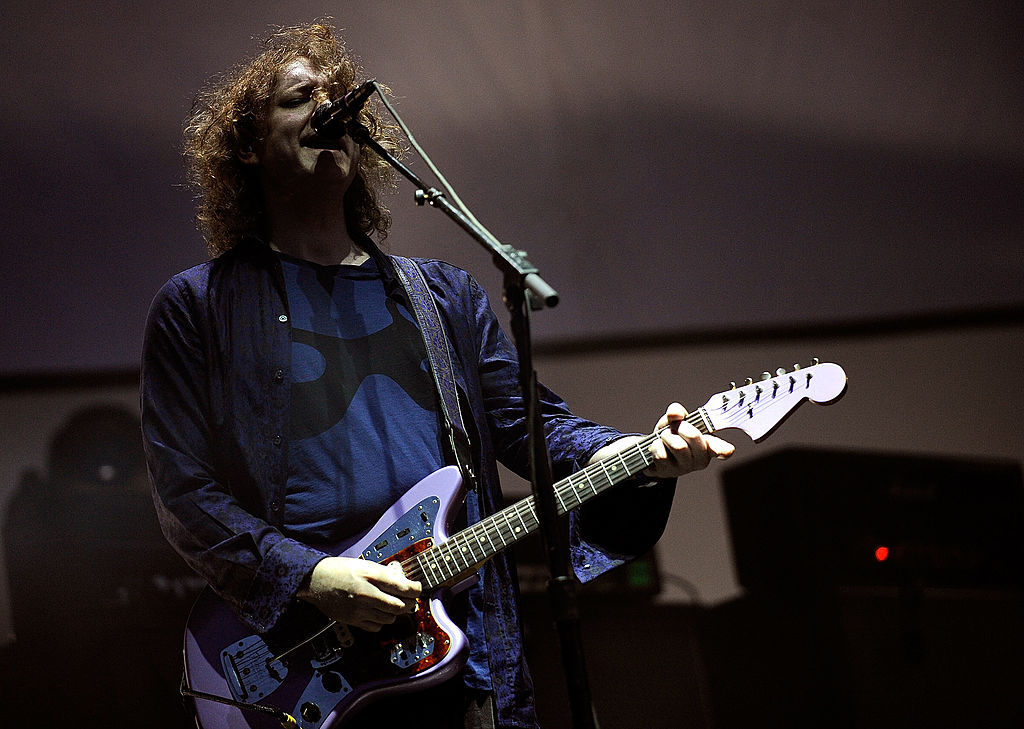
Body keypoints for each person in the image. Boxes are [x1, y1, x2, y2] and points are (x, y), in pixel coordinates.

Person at [140, 21, 734, 729]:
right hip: (299, 659)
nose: (329, 107)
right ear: (247, 144)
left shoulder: (442, 297)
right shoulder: (200, 306)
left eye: (339, 97)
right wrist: (311, 576)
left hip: (455, 650)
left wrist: (629, 454)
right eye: (299, 99)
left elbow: (532, 426)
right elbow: (185, 493)